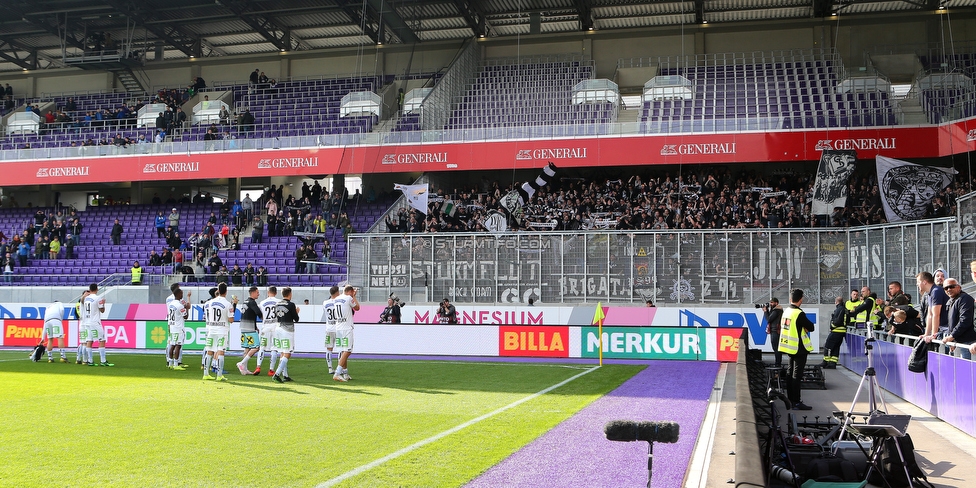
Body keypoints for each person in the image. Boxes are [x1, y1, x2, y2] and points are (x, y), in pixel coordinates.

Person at [778, 288, 814, 410]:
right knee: (796, 376)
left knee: (789, 374)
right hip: (799, 348)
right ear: (801, 299)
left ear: (790, 299)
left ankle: (790, 400)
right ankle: (796, 402)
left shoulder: (787, 311)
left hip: (789, 346)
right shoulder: (799, 313)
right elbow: (811, 327)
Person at [203, 283, 237, 381]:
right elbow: (231, 320)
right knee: (220, 351)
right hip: (222, 330)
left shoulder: (208, 303)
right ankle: (219, 375)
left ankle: (205, 374)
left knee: (209, 350)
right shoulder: (228, 304)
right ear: (226, 292)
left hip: (211, 330)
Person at [331, 285, 360, 382]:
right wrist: (354, 297)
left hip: (338, 327)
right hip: (347, 328)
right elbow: (357, 308)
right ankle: (337, 373)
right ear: (351, 291)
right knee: (348, 351)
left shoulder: (336, 299)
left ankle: (345, 373)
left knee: (343, 351)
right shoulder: (348, 298)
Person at [271, 287, 300, 383]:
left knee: (282, 352)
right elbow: (296, 319)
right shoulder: (291, 305)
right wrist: (296, 312)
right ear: (290, 294)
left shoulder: (277, 303)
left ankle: (285, 375)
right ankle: (277, 374)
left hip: (278, 328)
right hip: (287, 330)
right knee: (287, 353)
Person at [942, 278, 975, 360]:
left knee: (967, 369)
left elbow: (965, 320)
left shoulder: (965, 299)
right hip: (958, 342)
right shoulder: (950, 301)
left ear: (959, 287)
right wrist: (952, 340)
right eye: (946, 288)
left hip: (968, 342)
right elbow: (951, 323)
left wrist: (952, 336)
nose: (949, 289)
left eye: (951, 286)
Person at [81, 283, 112, 366]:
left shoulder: (86, 298)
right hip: (95, 322)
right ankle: (103, 361)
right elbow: (102, 310)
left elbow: (82, 302)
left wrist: (84, 296)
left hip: (87, 322)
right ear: (97, 289)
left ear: (90, 289)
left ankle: (90, 361)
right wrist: (103, 304)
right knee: (102, 340)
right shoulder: (98, 298)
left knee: (89, 341)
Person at [237, 286, 263, 375]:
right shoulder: (252, 302)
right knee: (256, 347)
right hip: (249, 328)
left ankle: (244, 369)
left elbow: (249, 315)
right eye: (257, 292)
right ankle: (242, 363)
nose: (258, 294)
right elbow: (258, 313)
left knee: (247, 348)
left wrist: (255, 326)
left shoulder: (245, 301)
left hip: (243, 327)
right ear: (253, 292)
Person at [254, 286, 279, 376]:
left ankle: (258, 367)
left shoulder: (262, 302)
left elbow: (260, 315)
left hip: (265, 327)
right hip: (275, 328)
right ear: (276, 293)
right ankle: (271, 370)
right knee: (274, 349)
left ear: (268, 292)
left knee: (262, 348)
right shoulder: (279, 302)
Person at [918, 271, 949, 343]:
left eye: (918, 282)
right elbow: (930, 315)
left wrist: (933, 335)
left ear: (924, 282)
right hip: (941, 330)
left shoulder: (936, 291)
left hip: (946, 330)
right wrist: (926, 334)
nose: (917, 284)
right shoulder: (930, 293)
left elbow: (936, 315)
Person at [819, 296, 847, 369]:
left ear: (836, 302)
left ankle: (825, 361)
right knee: (835, 348)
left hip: (836, 331)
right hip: (842, 332)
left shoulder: (839, 309)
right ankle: (832, 363)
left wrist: (832, 326)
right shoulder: (844, 309)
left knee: (827, 346)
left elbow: (837, 321)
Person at [166, 288, 190, 370]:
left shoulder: (171, 304)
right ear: (179, 294)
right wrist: (187, 308)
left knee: (172, 344)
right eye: (181, 293)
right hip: (179, 327)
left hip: (172, 326)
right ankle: (176, 364)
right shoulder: (179, 305)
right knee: (178, 345)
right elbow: (186, 316)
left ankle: (170, 363)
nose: (182, 295)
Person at [321, 285, 341, 374]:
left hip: (329, 328)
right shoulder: (339, 302)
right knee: (341, 348)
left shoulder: (325, 303)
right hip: (338, 328)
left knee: (329, 349)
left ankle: (330, 367)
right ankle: (339, 367)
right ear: (337, 293)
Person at [763, 298, 784, 367]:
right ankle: (778, 364)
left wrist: (765, 311)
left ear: (776, 303)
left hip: (775, 331)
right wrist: (768, 310)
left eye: (772, 302)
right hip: (775, 330)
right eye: (770, 302)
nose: (770, 304)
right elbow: (770, 317)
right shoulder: (776, 310)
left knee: (776, 348)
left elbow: (769, 319)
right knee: (776, 348)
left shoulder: (777, 310)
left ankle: (778, 365)